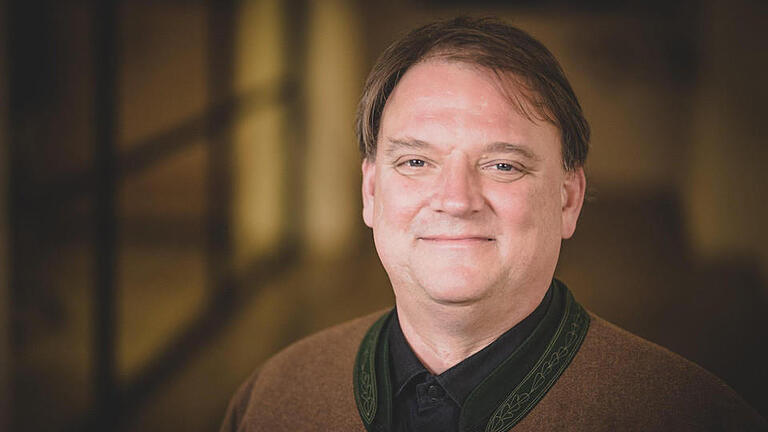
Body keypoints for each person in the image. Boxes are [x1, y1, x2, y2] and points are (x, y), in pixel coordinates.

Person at [220, 17, 767, 432]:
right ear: (370, 192)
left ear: (568, 199)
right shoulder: (274, 398)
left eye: (502, 165)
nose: (456, 200)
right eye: (416, 162)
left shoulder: (689, 413)